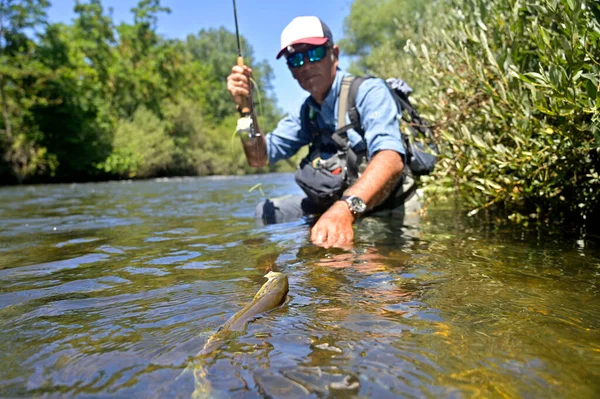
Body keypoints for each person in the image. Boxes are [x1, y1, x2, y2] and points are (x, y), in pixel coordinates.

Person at [227, 16, 420, 249]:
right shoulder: (306, 113)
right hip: (338, 205)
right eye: (295, 59)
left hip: (385, 206)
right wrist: (245, 109)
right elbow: (259, 158)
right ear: (290, 69)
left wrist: (345, 209)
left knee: (374, 275)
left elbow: (391, 159)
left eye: (315, 53)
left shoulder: (369, 91)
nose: (306, 65)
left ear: (334, 54)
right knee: (266, 212)